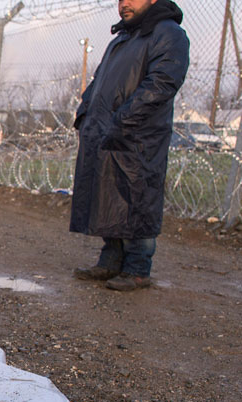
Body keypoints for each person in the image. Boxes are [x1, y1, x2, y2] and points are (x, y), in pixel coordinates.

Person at [71, 0, 189, 291]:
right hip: (106, 132)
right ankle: (110, 260)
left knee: (138, 197)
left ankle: (138, 268)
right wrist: (85, 115)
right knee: (109, 197)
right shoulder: (122, 39)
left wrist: (123, 118)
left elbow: (162, 83)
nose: (124, 4)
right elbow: (98, 83)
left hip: (139, 136)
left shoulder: (168, 33)